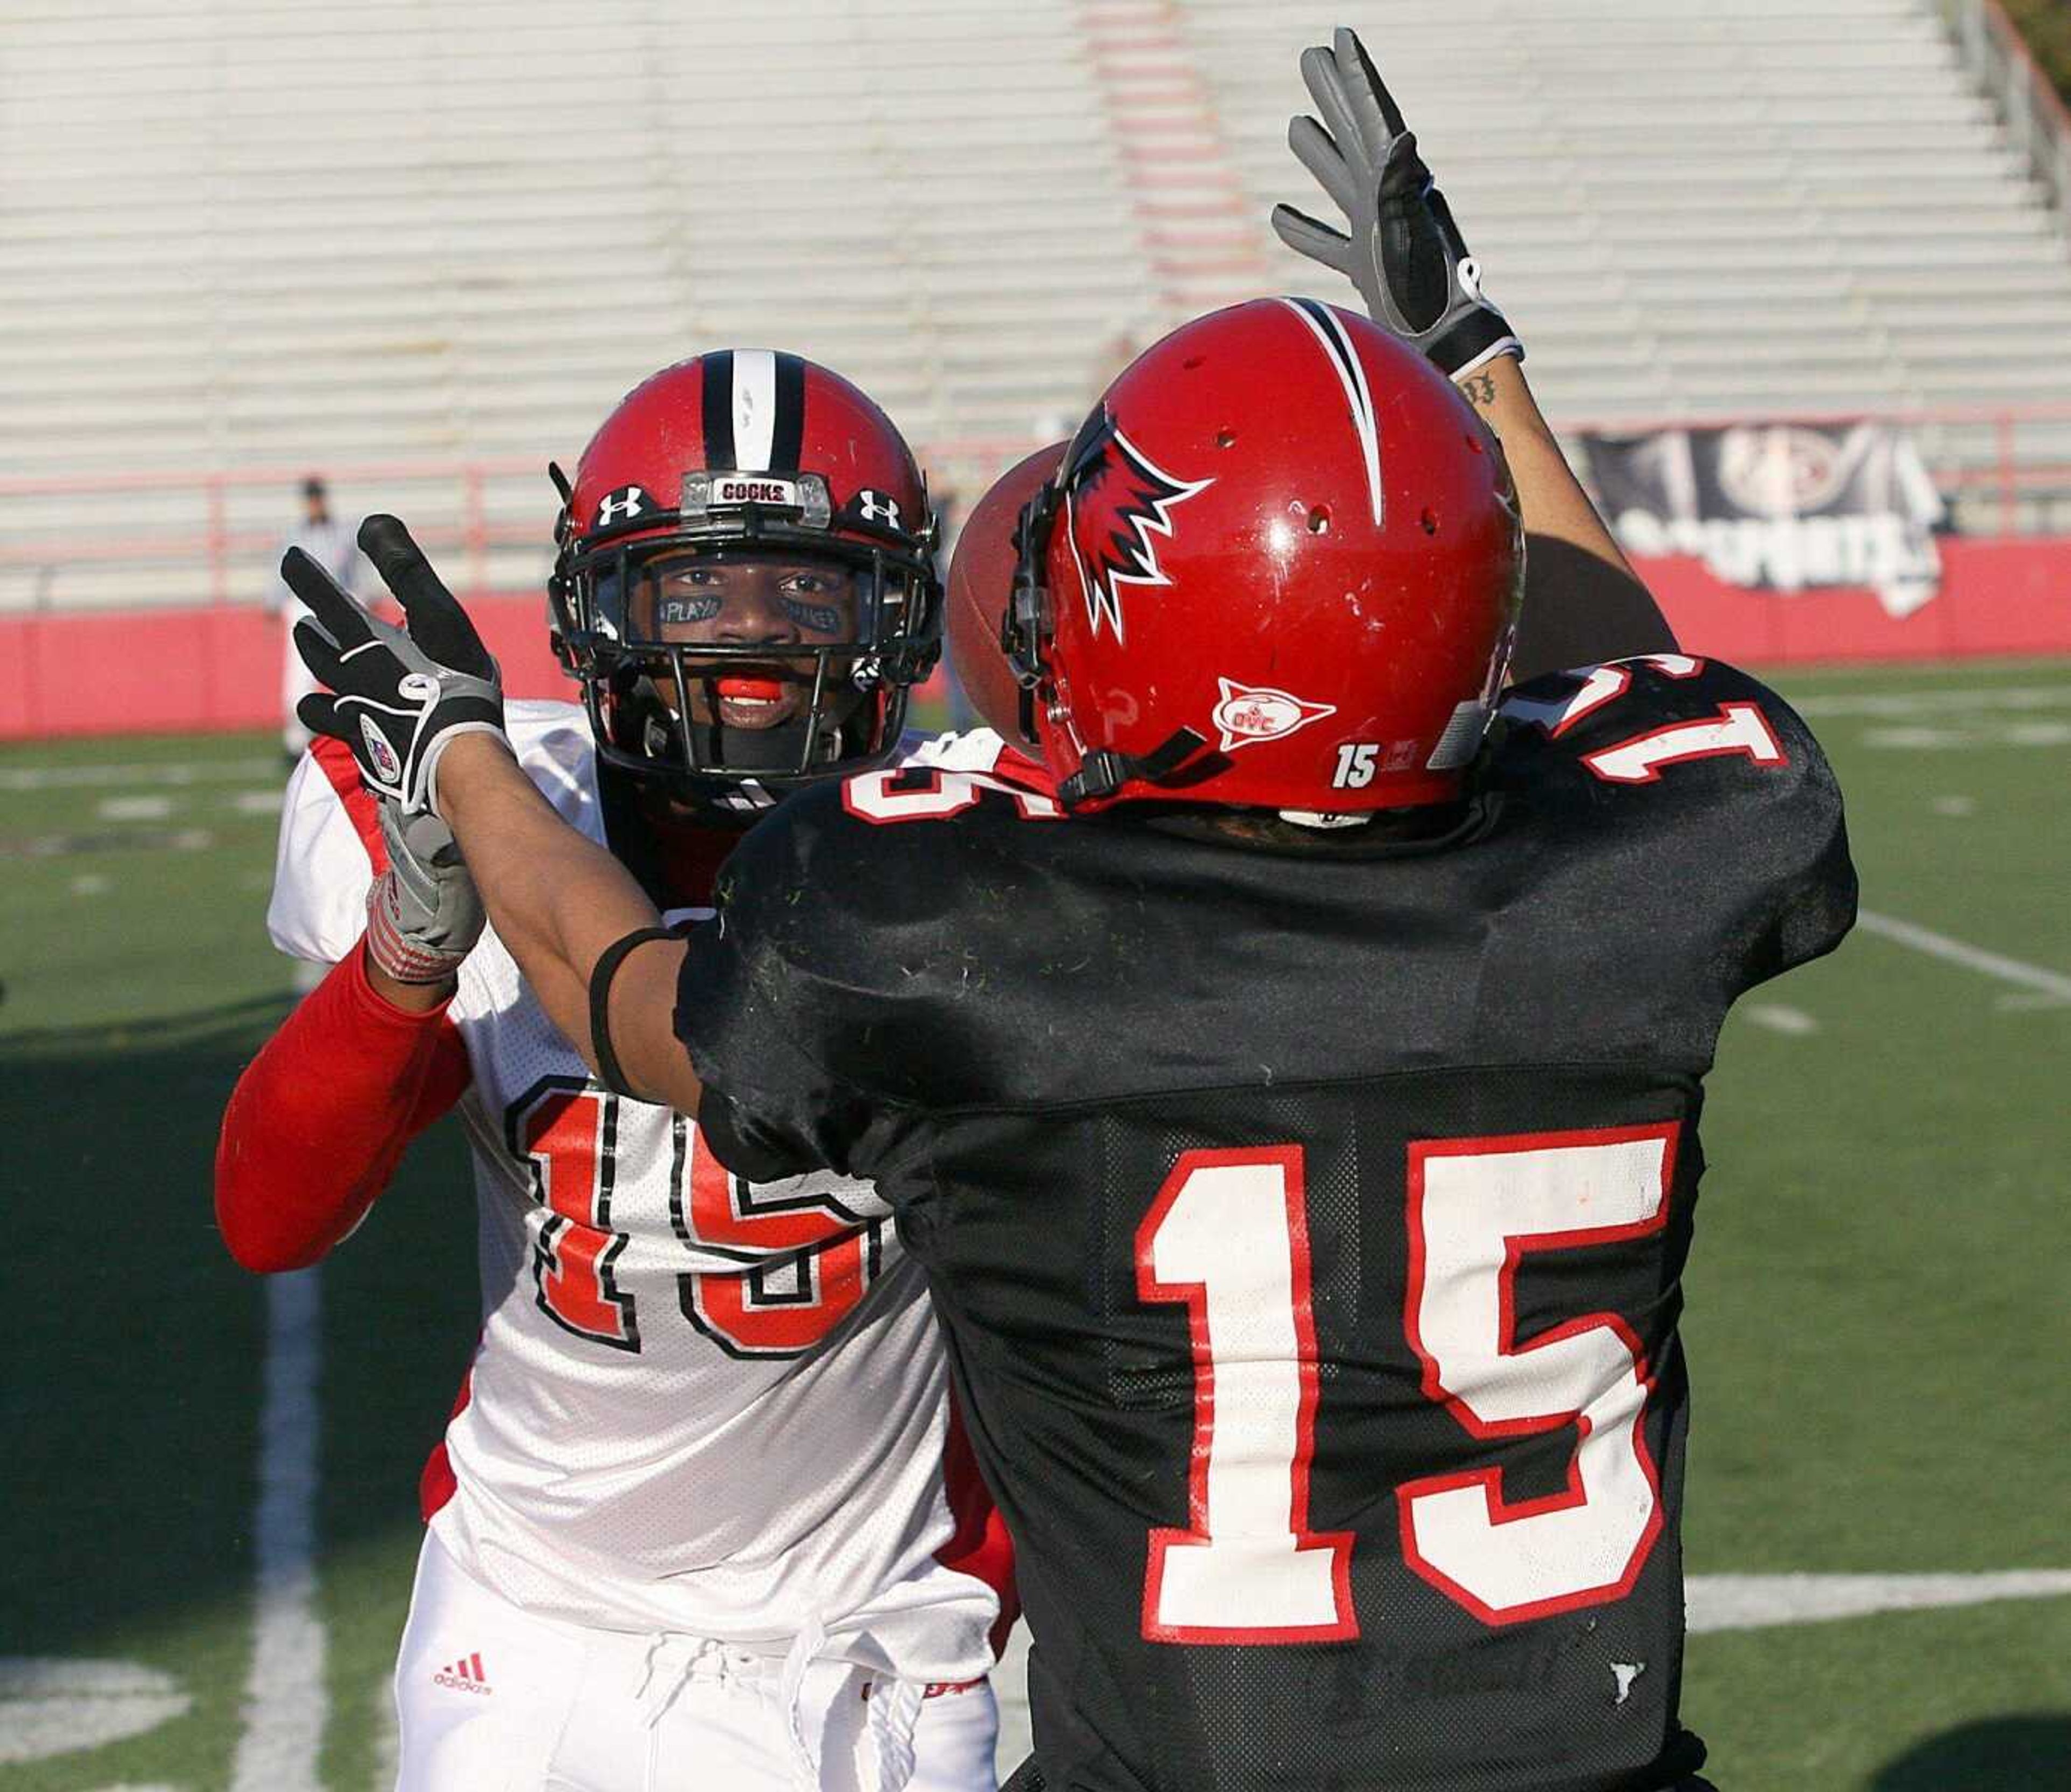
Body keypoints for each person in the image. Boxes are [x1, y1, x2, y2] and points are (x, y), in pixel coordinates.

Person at [282, 36, 1856, 1790]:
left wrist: (470, 765)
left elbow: (614, 974)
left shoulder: (988, 926)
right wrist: (1473, 370)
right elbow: (1632, 671)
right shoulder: (1665, 856)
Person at [217, 352, 1023, 1792]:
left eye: (813, 590)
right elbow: (270, 1218)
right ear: (595, 605)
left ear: (898, 615)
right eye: (698, 592)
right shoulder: (493, 804)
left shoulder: (981, 847)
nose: (756, 649)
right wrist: (404, 947)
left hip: (871, 1638)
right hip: (533, 1615)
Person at [265, 476, 367, 761]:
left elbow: (355, 571)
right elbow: (280, 570)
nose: (315, 504)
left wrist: (363, 600)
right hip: (303, 605)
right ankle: (296, 740)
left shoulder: (342, 532)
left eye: (318, 498)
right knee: (300, 674)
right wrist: (274, 601)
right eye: (311, 499)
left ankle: (364, 731)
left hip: (339, 602)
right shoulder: (294, 534)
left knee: (356, 665)